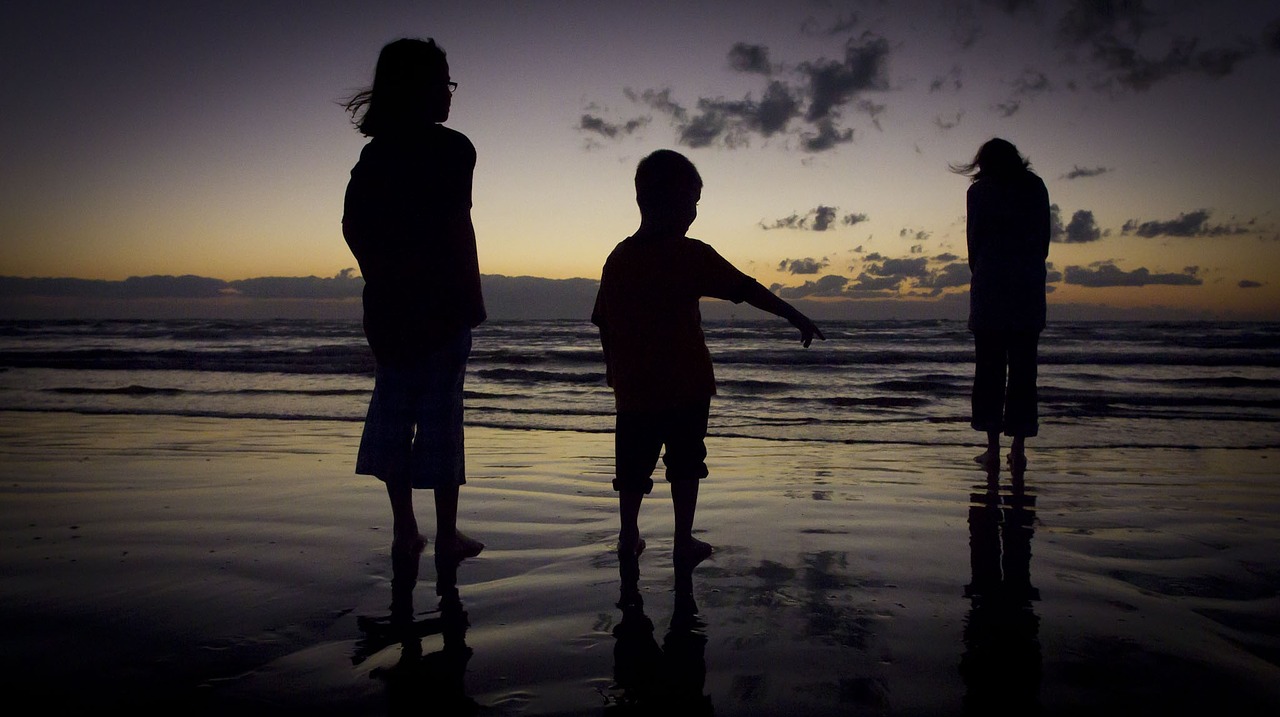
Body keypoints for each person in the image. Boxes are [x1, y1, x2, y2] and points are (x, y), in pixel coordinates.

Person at [591, 149, 824, 569]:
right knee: (685, 461)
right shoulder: (690, 253)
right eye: (692, 202)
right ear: (671, 201)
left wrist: (616, 372)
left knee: (632, 465)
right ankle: (682, 539)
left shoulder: (618, 258)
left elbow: (602, 321)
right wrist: (794, 314)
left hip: (635, 389)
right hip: (687, 384)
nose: (695, 212)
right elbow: (746, 288)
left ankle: (629, 534)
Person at [341, 37, 485, 560]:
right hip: (444, 309)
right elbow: (450, 224)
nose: (450, 94)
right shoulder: (453, 149)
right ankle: (446, 535)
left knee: (395, 415)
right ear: (417, 89)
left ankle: (406, 529)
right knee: (443, 419)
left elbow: (352, 224)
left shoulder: (374, 156)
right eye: (442, 83)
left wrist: (383, 273)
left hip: (390, 311)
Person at [951, 138, 1051, 475]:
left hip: (991, 285)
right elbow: (1043, 240)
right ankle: (1018, 450)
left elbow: (973, 242)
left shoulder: (979, 192)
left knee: (990, 371)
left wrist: (983, 270)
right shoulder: (1035, 187)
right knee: (1024, 372)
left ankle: (992, 449)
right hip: (1027, 285)